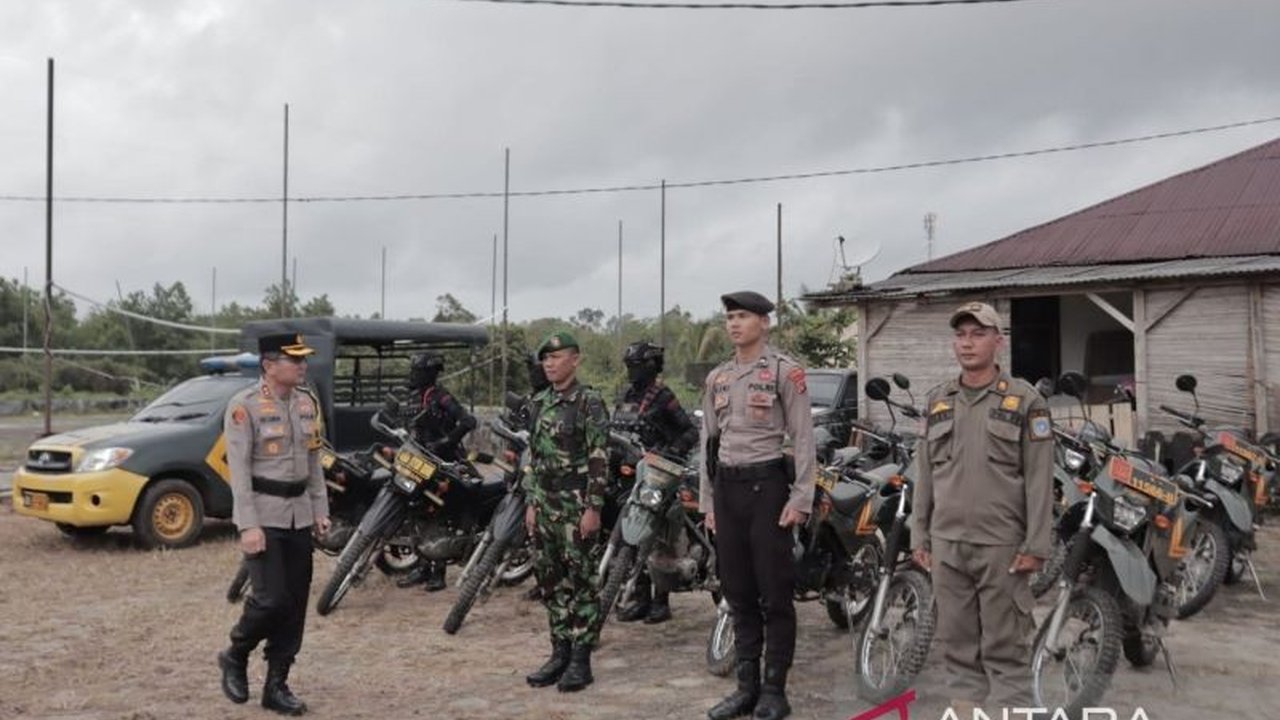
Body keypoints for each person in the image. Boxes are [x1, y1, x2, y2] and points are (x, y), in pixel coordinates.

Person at [911, 301, 1054, 714]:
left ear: (999, 341)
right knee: (957, 649)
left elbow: (1040, 479)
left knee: (1006, 652)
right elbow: (925, 475)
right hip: (947, 546)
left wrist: (1036, 544)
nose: (968, 343)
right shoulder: (938, 400)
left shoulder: (1026, 402)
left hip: (1002, 547)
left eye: (978, 334)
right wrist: (920, 535)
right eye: (961, 335)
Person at [699, 291, 816, 720]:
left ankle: (774, 689)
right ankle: (745, 687)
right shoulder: (718, 378)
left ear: (764, 323)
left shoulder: (786, 372)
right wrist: (708, 500)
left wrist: (802, 496)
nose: (734, 324)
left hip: (768, 488)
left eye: (743, 316)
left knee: (775, 594)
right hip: (728, 490)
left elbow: (803, 438)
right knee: (737, 593)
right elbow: (708, 443)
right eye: (730, 317)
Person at [217, 333, 330, 716]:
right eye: (293, 359)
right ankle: (236, 653)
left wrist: (320, 509)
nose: (302, 366)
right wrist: (248, 525)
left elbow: (314, 462)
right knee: (270, 600)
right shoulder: (243, 406)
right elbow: (239, 472)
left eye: (303, 360)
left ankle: (276, 685)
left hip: (299, 513)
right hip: (264, 516)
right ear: (269, 365)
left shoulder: (306, 402)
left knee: (295, 605)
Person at [522, 330, 610, 693]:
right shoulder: (539, 402)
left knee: (582, 583)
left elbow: (599, 459)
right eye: (546, 359)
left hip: (576, 507)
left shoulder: (589, 402)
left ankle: (580, 659)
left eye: (557, 358)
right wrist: (531, 502)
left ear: (575, 360)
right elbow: (534, 458)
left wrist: (593, 508)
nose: (550, 364)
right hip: (544, 506)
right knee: (550, 581)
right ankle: (558, 652)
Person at [613, 340, 698, 624]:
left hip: (659, 476)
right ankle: (640, 597)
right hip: (630, 471)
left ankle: (661, 601)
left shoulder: (663, 396)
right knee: (631, 536)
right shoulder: (626, 394)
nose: (631, 371)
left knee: (660, 538)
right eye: (629, 366)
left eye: (636, 366)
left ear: (649, 366)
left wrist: (671, 451)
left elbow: (689, 432)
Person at [395, 352, 478, 592]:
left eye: (417, 370)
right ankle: (422, 567)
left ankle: (438, 572)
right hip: (420, 462)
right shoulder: (414, 397)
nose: (413, 375)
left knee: (439, 514)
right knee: (417, 512)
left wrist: (445, 442)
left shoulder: (441, 397)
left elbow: (468, 421)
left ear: (429, 373)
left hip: (444, 464)